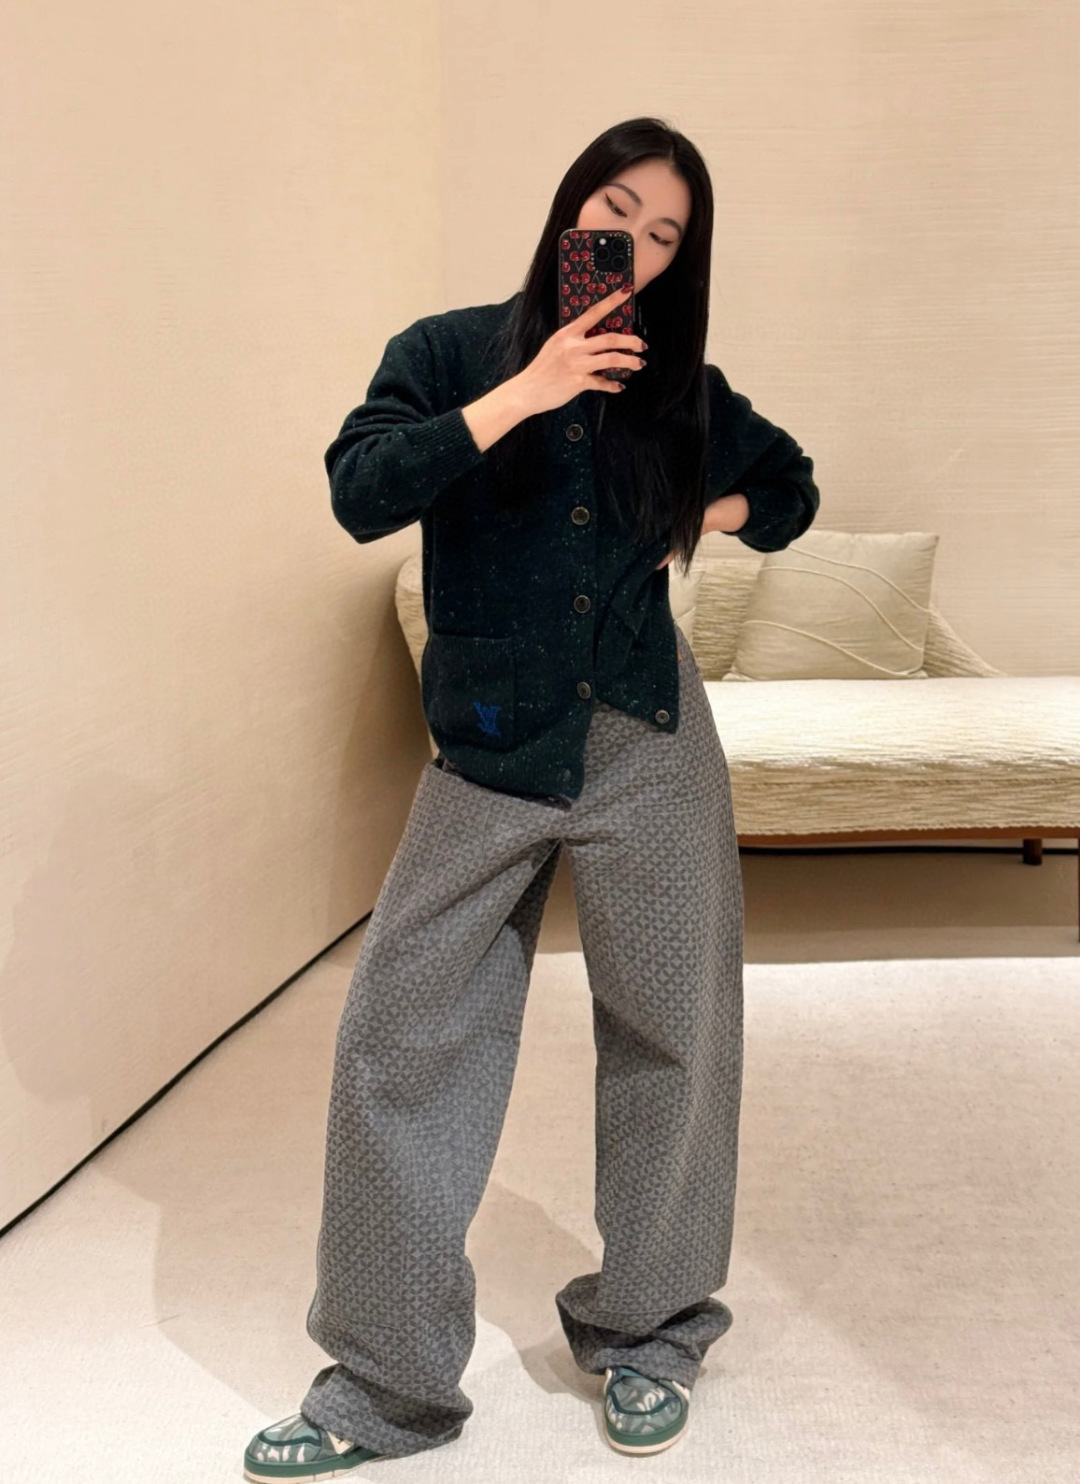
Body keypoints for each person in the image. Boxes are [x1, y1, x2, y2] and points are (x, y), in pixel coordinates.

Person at [243, 115, 819, 1481]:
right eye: (618, 211)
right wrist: (529, 389)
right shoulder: (448, 350)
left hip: (647, 743)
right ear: (572, 210)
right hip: (489, 752)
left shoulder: (681, 390)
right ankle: (384, 1384)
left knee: (674, 1037)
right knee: (398, 1039)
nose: (634, 244)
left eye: (665, 235)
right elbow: (360, 491)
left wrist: (699, 517)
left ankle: (650, 1331)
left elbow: (789, 489)